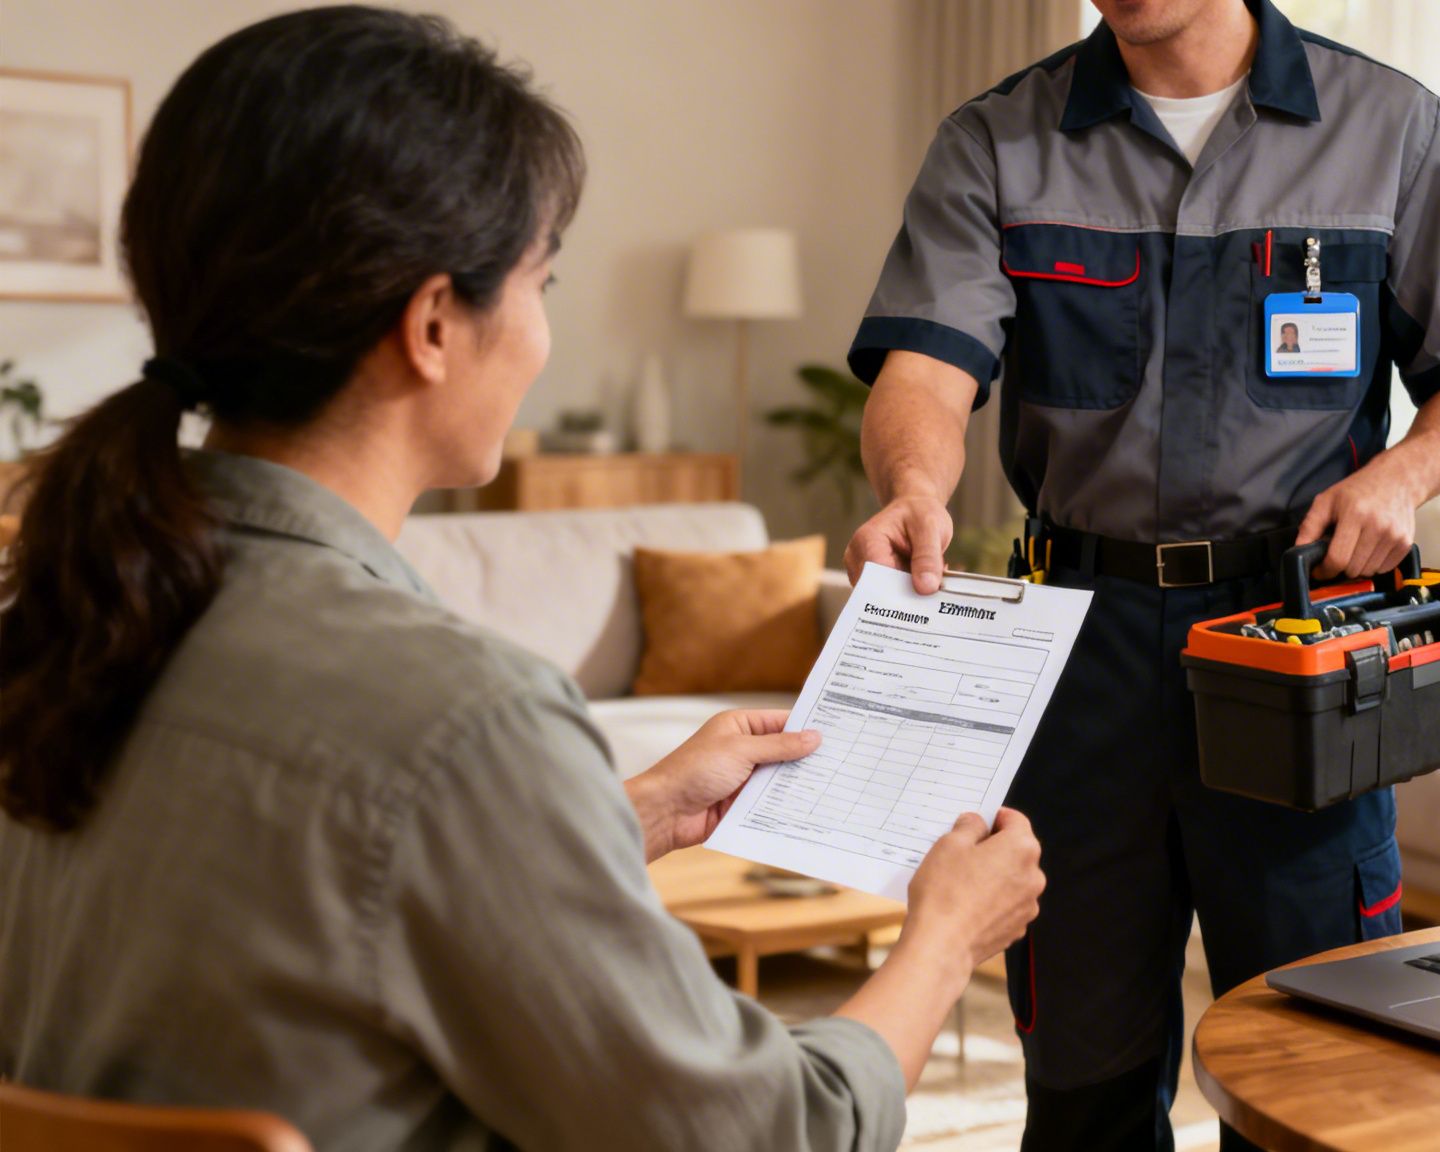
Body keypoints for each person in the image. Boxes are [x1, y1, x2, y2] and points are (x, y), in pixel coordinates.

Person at [0, 8, 1043, 1150]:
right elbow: (767, 1133)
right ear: (435, 324)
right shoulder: (455, 719)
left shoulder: (61, 627)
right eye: (543, 279)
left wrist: (616, 816)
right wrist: (942, 941)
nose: (543, 335)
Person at [844, 1, 1440, 1147]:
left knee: (1312, 1069)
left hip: (1297, 651)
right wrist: (915, 486)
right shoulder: (998, 138)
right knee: (1080, 1072)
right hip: (1079, 655)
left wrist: (1401, 479)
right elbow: (926, 366)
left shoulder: (1390, 126)